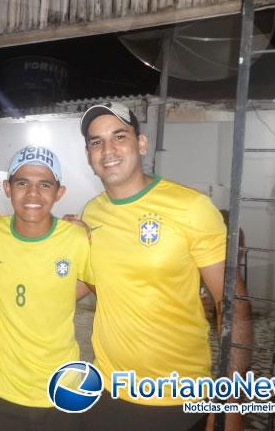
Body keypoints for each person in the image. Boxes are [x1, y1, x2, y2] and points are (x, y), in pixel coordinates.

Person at [79, 103, 252, 431]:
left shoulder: (191, 207)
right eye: (96, 142)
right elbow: (91, 281)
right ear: (88, 156)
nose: (108, 150)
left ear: (141, 144)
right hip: (107, 393)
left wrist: (232, 410)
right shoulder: (92, 213)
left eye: (119, 136)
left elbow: (234, 308)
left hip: (178, 400)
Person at [0, 145, 93, 431]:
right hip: (2, 388)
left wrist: (56, 294)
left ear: (59, 192)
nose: (33, 194)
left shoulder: (76, 239)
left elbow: (95, 283)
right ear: (7, 188)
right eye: (22, 183)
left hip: (62, 388)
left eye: (44, 184)